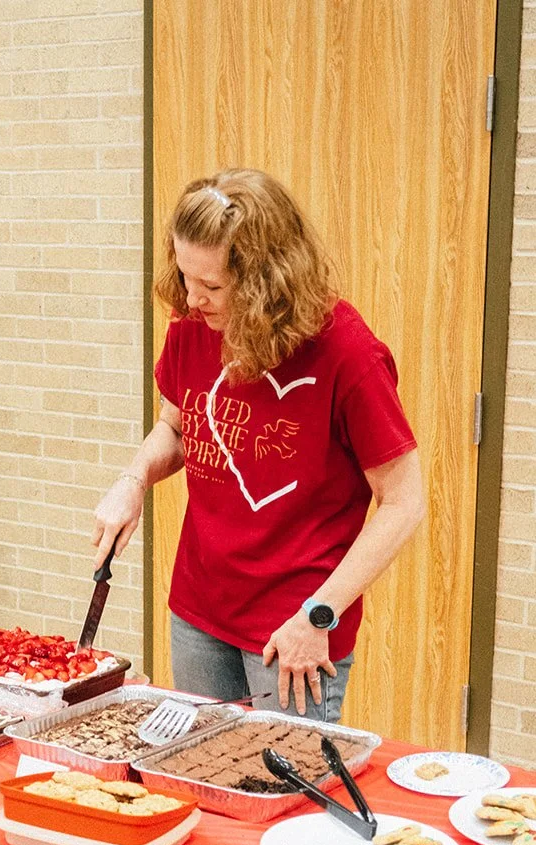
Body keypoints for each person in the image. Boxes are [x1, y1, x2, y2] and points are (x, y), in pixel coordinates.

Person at [91, 169, 424, 722]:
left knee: (284, 792)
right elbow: (177, 426)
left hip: (292, 627)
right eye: (184, 276)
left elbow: (403, 502)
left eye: (213, 287)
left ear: (269, 280)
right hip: (200, 611)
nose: (192, 300)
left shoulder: (348, 354)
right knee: (201, 775)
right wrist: (134, 480)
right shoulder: (193, 321)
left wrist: (320, 615)